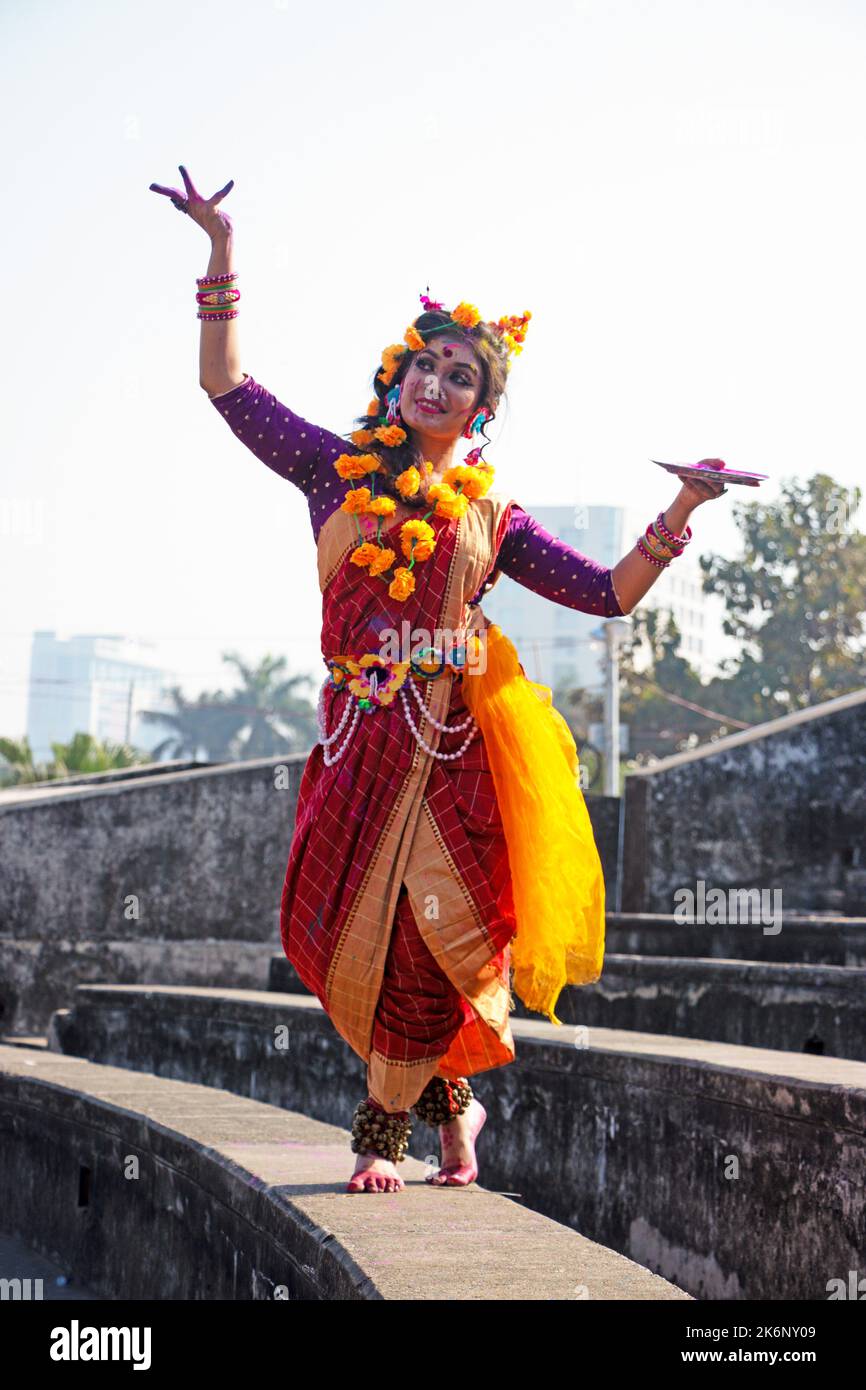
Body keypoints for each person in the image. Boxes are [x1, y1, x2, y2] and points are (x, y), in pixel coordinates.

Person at [150, 165, 727, 1195]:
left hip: (452, 751)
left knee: (428, 942)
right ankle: (457, 1103)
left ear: (479, 409)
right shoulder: (334, 470)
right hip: (356, 741)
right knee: (335, 936)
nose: (437, 381)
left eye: (461, 375)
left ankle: (382, 1132)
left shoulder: (488, 520)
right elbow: (227, 387)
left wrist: (679, 510)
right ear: (396, 377)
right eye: (426, 362)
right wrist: (222, 257)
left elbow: (605, 593)